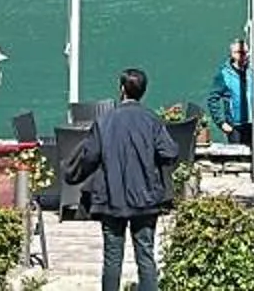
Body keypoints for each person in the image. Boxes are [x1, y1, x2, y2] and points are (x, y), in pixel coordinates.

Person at [74, 67, 182, 291]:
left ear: (122, 89)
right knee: (145, 255)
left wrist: (73, 176)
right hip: (145, 197)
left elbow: (90, 157)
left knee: (112, 258)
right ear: (143, 91)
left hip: (111, 198)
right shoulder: (151, 120)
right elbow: (170, 153)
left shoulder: (105, 121)